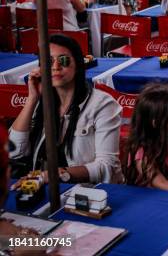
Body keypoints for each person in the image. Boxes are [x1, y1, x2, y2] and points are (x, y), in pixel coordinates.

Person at [9, 34, 123, 184]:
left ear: (77, 65)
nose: (56, 67)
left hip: (87, 193)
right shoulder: (42, 101)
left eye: (63, 60)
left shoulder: (103, 105)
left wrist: (55, 175)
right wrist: (32, 99)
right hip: (41, 188)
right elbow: (14, 152)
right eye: (48, 61)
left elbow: (107, 167)